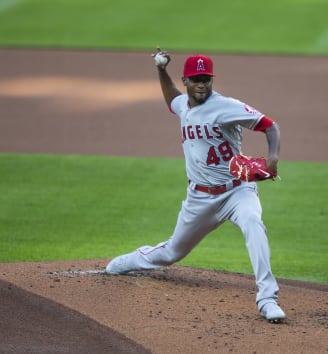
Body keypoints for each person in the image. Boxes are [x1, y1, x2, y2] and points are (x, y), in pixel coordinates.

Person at [106, 48, 285, 323]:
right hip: (199, 199)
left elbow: (270, 126)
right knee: (172, 252)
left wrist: (272, 156)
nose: (201, 84)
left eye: (206, 79)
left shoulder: (227, 106)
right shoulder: (183, 106)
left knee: (253, 222)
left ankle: (267, 298)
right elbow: (172, 100)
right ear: (186, 81)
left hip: (237, 190)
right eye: (196, 79)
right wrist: (161, 70)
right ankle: (133, 260)